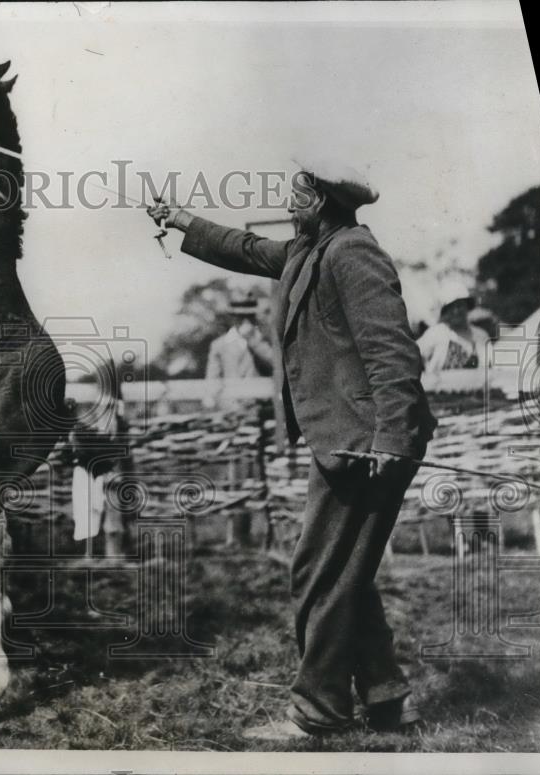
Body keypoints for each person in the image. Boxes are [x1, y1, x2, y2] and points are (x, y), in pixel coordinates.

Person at [147, 158, 438, 739]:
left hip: (364, 443)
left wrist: (392, 437)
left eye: (295, 193)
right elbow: (248, 248)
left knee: (319, 575)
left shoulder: (352, 252)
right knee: (342, 573)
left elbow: (393, 353)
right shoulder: (309, 251)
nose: (285, 201)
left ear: (323, 201)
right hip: (347, 439)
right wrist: (181, 221)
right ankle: (387, 700)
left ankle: (318, 712)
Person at [204, 298, 274, 410]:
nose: (246, 321)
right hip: (232, 407)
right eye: (240, 317)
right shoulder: (219, 345)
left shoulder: (265, 341)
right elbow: (212, 377)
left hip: (263, 406)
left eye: (250, 316)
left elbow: (276, 366)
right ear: (232, 318)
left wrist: (254, 341)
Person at [417, 279, 490, 375]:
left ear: (467, 306)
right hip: (438, 388)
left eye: (459, 305)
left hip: (475, 387)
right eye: (451, 307)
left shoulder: (481, 335)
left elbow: (489, 368)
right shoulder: (437, 333)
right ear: (445, 311)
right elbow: (413, 355)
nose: (456, 311)